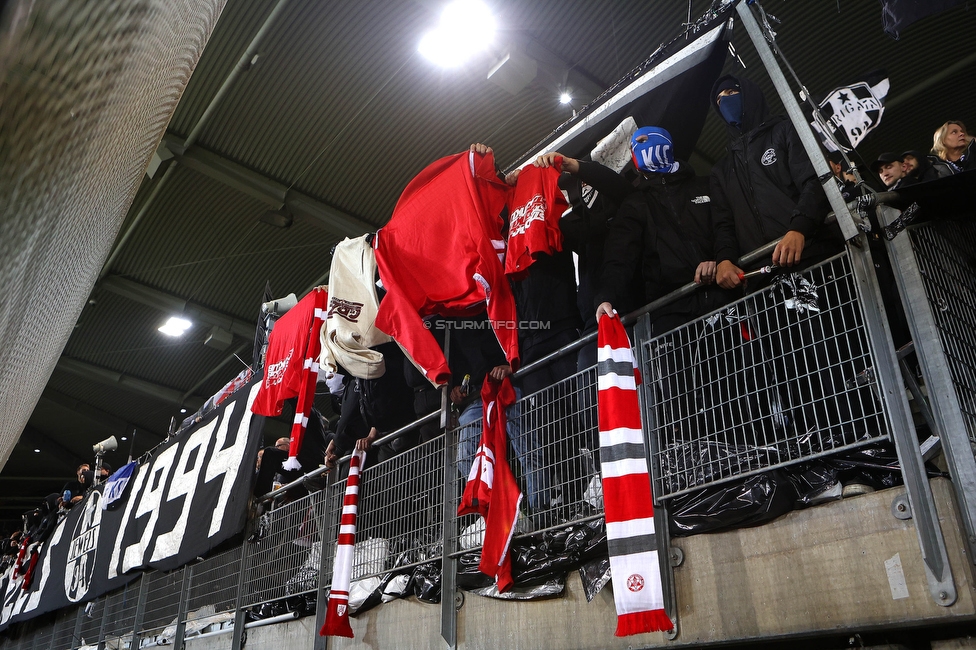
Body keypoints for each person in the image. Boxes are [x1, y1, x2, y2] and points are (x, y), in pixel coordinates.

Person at [589, 126, 730, 333]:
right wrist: (606, 298)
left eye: (645, 139)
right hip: (672, 314)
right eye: (635, 145)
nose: (640, 147)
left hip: (724, 297)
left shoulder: (706, 185)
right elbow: (619, 256)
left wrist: (722, 259)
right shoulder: (636, 204)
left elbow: (726, 226)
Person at [709, 75, 840, 290]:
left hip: (813, 259)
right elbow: (723, 224)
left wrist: (798, 229)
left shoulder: (786, 129)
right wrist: (724, 259)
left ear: (749, 95)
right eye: (720, 100)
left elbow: (816, 180)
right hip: (763, 281)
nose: (726, 102)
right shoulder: (721, 170)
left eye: (732, 93)